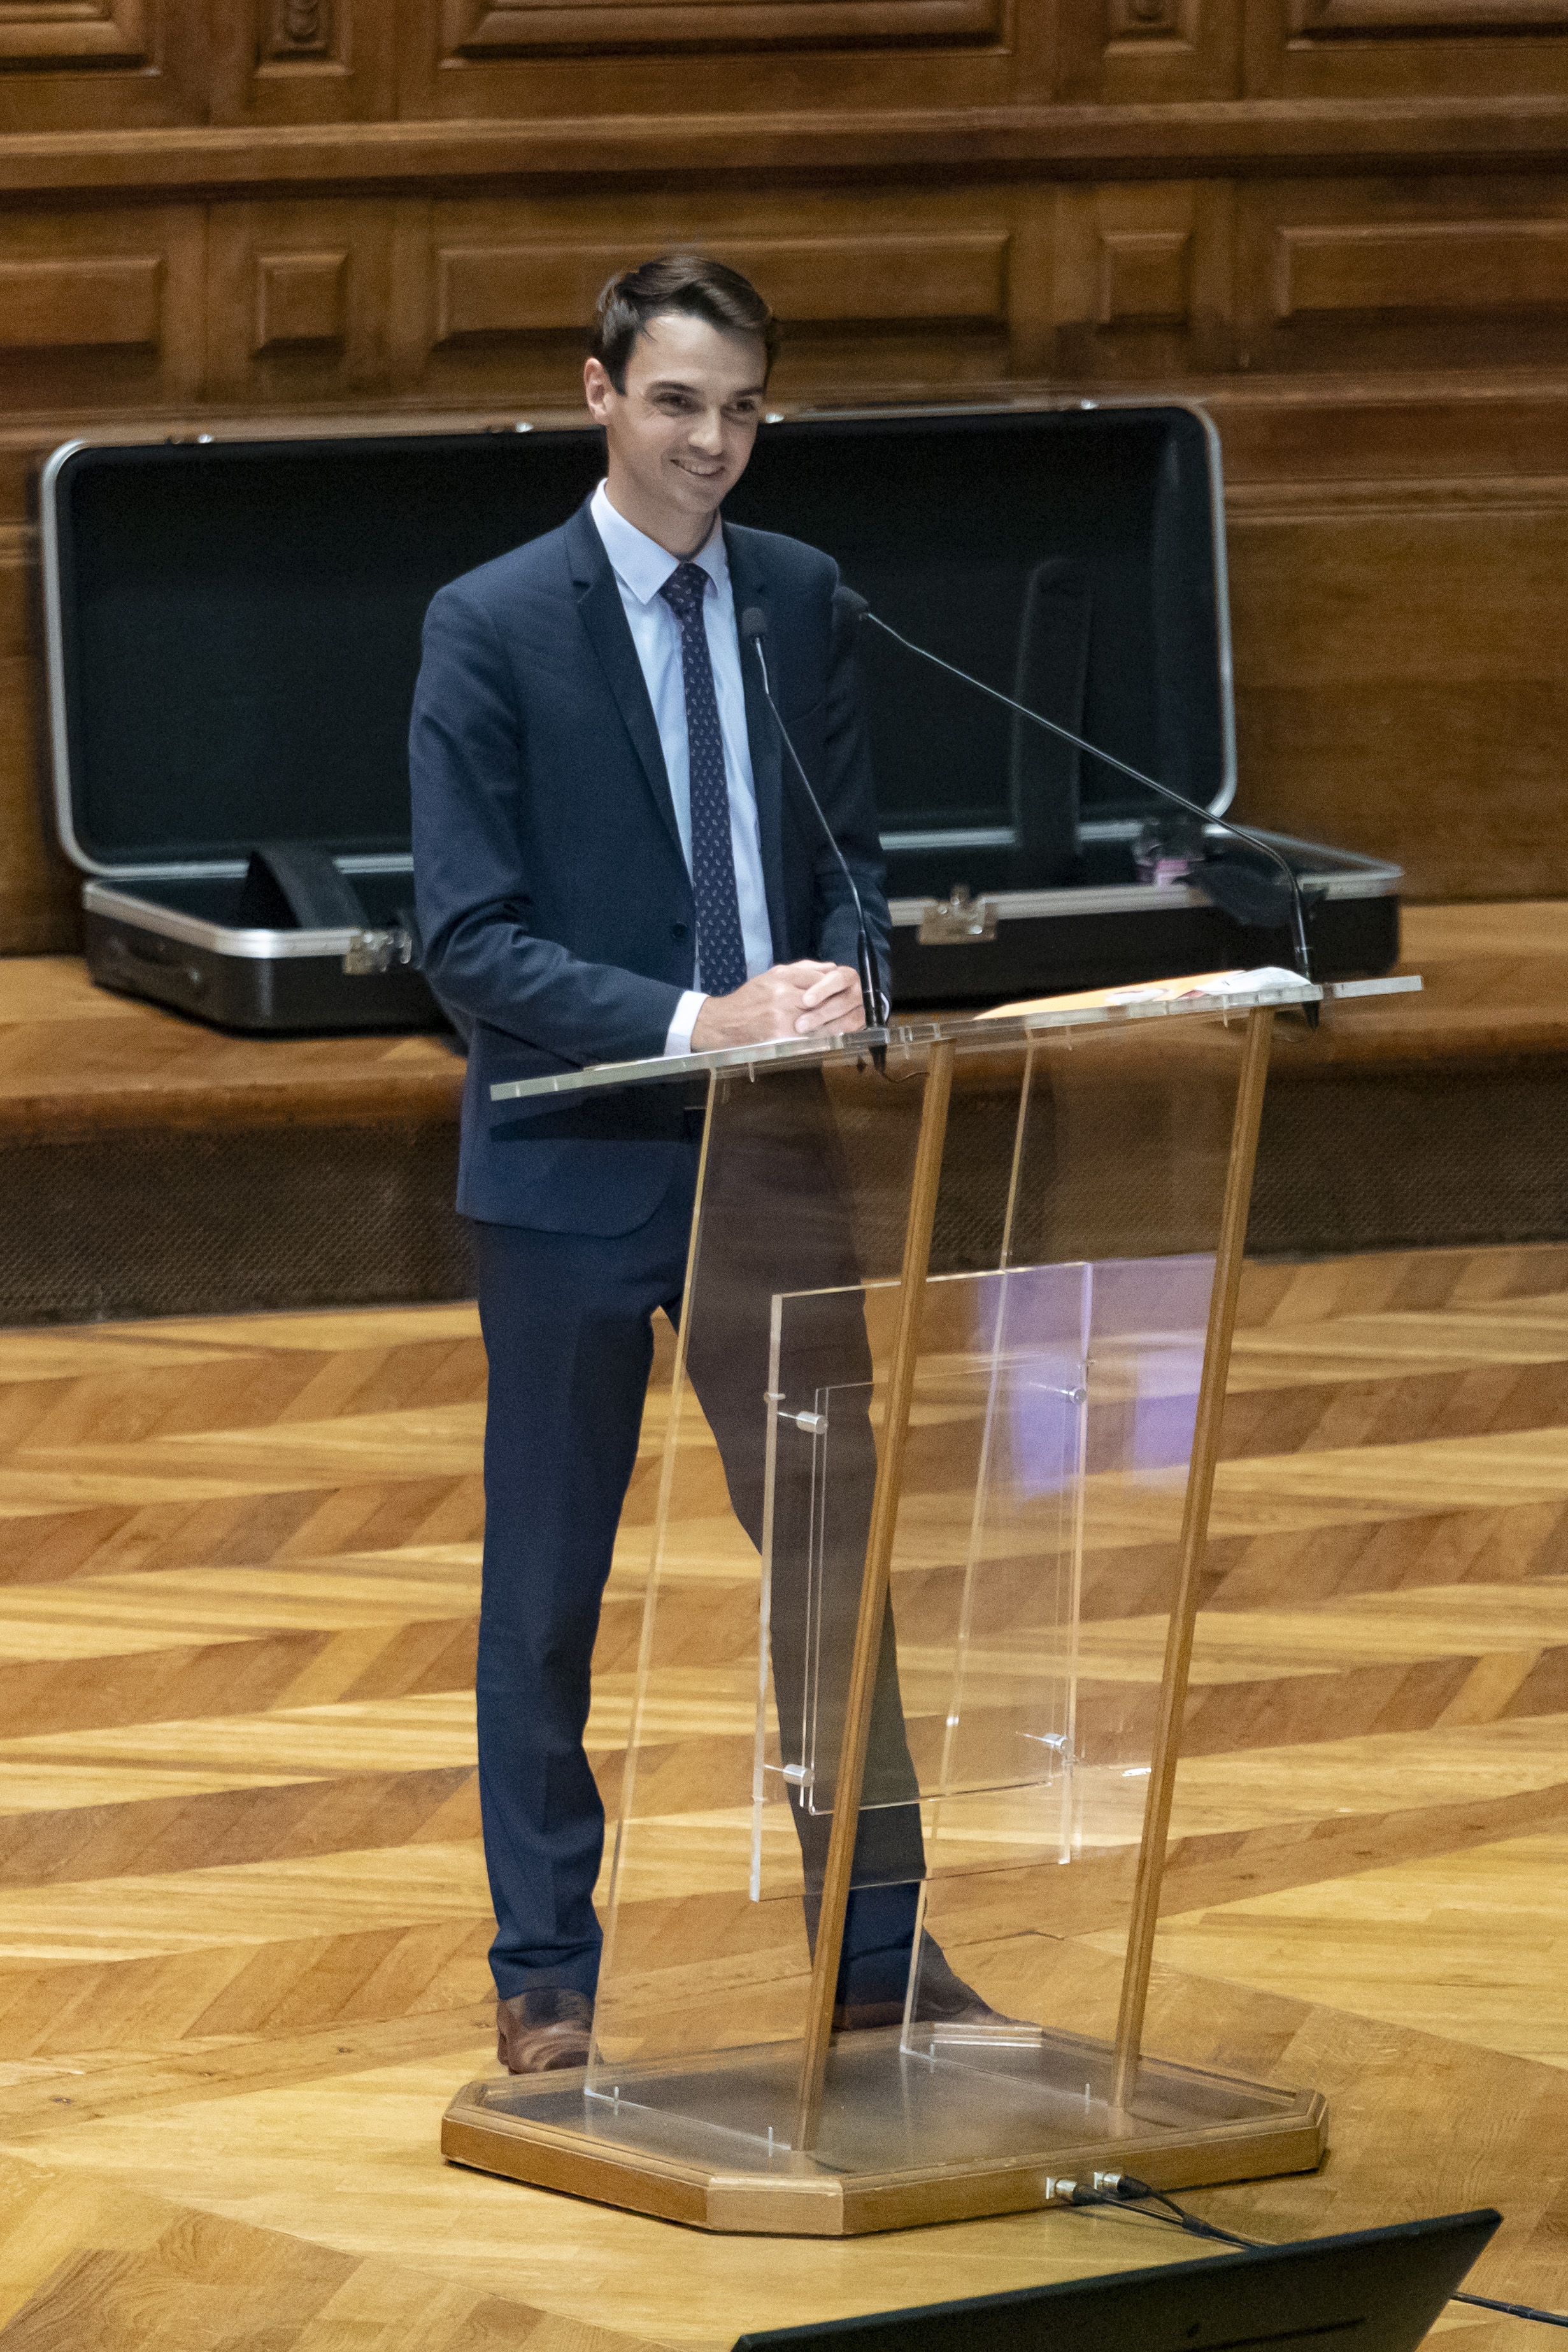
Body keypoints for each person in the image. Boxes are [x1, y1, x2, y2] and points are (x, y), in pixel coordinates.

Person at [411, 255, 984, 2074]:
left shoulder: (803, 600)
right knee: (548, 1589)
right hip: (579, 1167)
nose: (711, 445)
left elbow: (848, 860)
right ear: (599, 395)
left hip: (779, 1166)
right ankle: (545, 1976)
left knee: (836, 1568)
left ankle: (881, 1953)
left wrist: (847, 975)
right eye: (676, 403)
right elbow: (466, 939)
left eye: (741, 409)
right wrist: (694, 1018)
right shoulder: (489, 623)